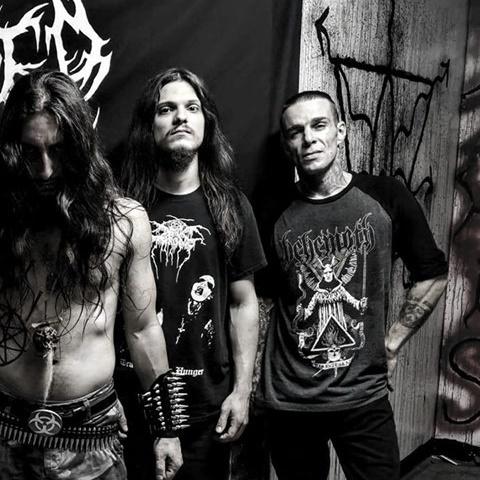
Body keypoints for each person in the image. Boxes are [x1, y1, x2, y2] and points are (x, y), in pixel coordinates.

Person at [0, 70, 184, 480]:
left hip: (91, 439)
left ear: (80, 147)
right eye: (30, 153)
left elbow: (142, 329)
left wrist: (166, 429)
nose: (45, 170)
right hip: (6, 434)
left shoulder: (123, 221)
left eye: (58, 151)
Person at [255, 91, 448, 480]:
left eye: (319, 125)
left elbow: (432, 274)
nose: (309, 139)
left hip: (363, 397)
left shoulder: (385, 196)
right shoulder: (271, 210)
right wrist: (253, 380)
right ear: (287, 145)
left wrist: (391, 344)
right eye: (295, 132)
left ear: (340, 131)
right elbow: (260, 299)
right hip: (290, 400)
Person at [117, 67, 266, 480]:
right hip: (132, 399)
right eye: (166, 109)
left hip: (205, 404)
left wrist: (242, 391)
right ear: (149, 125)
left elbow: (243, 304)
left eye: (192, 107)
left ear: (206, 122)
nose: (181, 116)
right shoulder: (124, 207)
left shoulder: (231, 206)